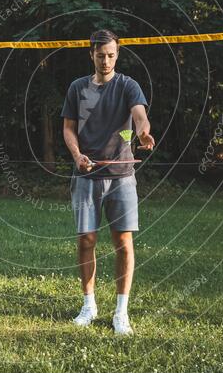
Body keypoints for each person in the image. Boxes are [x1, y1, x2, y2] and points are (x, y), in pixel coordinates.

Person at [60, 29, 155, 335]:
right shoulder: (77, 88)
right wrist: (77, 155)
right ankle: (88, 306)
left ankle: (121, 313)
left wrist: (142, 133)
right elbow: (68, 128)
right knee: (86, 240)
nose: (106, 61)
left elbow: (139, 114)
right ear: (92, 55)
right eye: (100, 55)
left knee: (123, 243)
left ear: (117, 54)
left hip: (121, 177)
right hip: (86, 174)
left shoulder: (128, 85)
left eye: (111, 55)